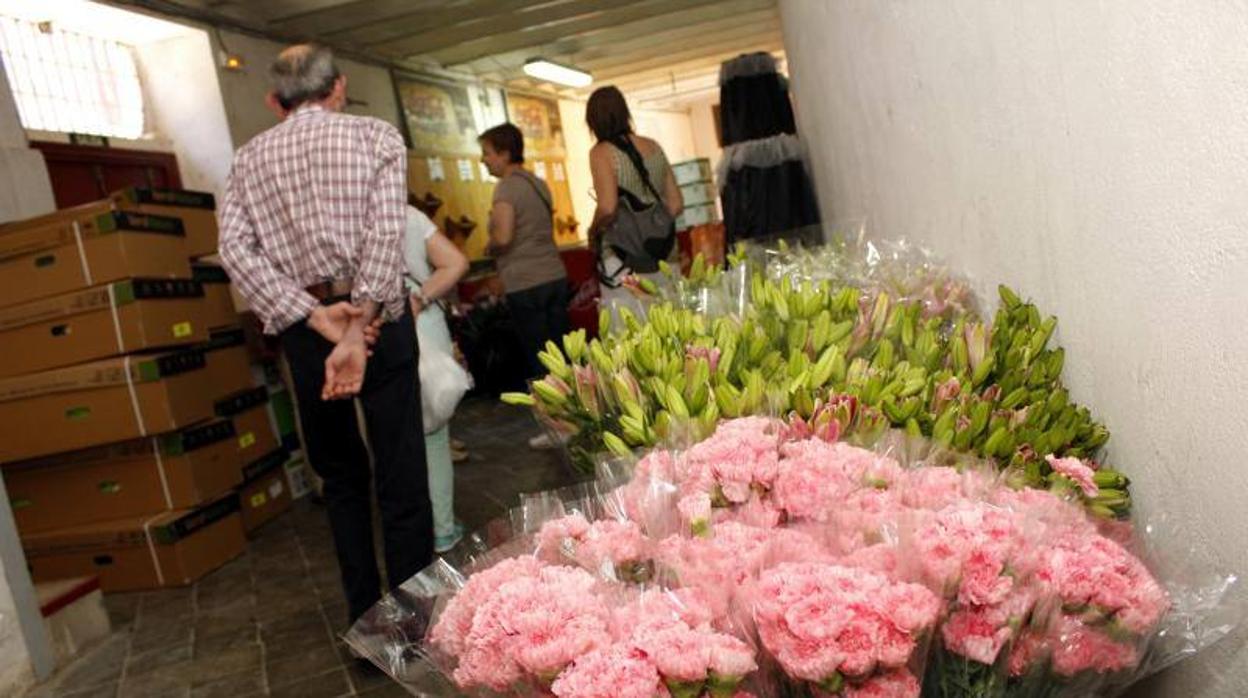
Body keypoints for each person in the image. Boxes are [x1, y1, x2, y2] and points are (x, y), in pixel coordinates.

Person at [218, 44, 433, 626]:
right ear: (337, 87)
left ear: (272, 101)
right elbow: (384, 234)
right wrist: (359, 321)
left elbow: (234, 251)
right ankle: (413, 624)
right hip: (378, 323)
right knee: (402, 472)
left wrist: (313, 317)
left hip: (307, 329)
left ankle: (366, 622)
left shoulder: (246, 160)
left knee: (340, 480)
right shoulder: (377, 137)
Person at [479, 123, 570, 448]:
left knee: (540, 358)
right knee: (563, 354)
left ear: (504, 153)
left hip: (525, 282)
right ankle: (577, 418)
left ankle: (556, 428)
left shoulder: (505, 188)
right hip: (554, 275)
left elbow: (504, 236)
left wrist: (489, 246)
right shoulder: (538, 183)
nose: (484, 160)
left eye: (488, 153)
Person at [402, 200, 470, 552]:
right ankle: (442, 528)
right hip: (424, 324)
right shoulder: (407, 216)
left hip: (372, 335)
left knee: (394, 439)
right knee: (433, 436)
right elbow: (456, 262)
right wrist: (418, 297)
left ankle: (411, 532)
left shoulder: (342, 224)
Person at [585, 86, 684, 321]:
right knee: (671, 323)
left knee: (630, 328)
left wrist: (593, 230)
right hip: (664, 251)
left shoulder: (601, 153)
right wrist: (651, 225)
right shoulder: (653, 146)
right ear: (624, 112)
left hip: (622, 256)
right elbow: (676, 204)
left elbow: (608, 207)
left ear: (592, 121)